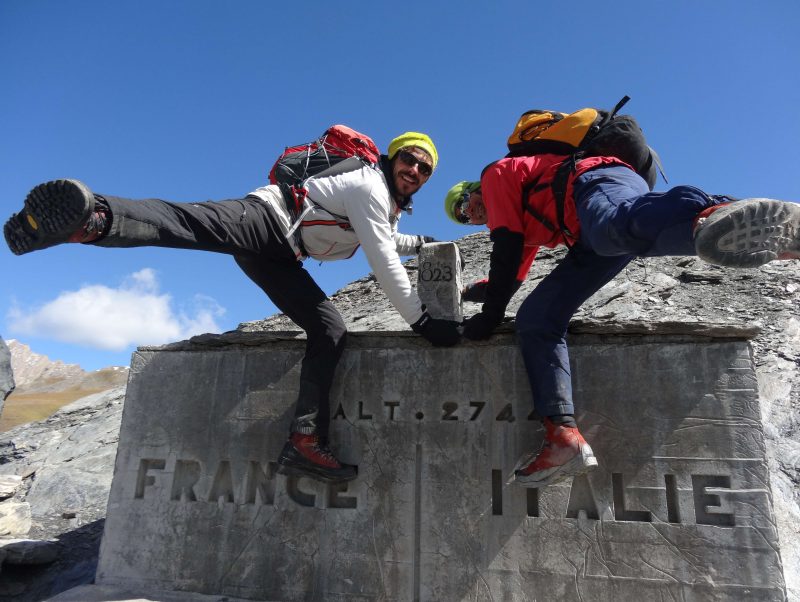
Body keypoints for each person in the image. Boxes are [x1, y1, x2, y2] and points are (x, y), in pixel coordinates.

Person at [5, 131, 461, 484]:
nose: (416, 170)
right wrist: (423, 322)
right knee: (189, 223)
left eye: (425, 168)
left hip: (282, 254)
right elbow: (382, 257)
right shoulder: (368, 185)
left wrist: (419, 243)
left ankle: (305, 440)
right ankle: (91, 218)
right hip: (264, 219)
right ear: (392, 158)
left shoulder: (383, 206)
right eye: (410, 159)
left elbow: (378, 236)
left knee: (330, 329)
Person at [444, 154, 799, 488]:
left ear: (471, 188)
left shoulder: (495, 176)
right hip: (589, 238)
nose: (470, 213)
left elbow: (505, 249)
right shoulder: (523, 221)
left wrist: (489, 316)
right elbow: (510, 277)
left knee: (612, 227)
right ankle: (562, 437)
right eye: (462, 217)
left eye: (463, 203)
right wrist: (466, 292)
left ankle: (718, 212)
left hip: (593, 181)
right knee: (537, 317)